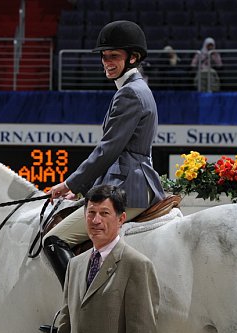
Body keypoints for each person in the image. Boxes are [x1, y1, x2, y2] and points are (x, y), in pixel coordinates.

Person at [43, 20, 166, 284]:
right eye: (104, 56)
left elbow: (108, 150)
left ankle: (81, 307)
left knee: (54, 239)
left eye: (113, 56)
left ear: (133, 57)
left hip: (128, 186)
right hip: (130, 180)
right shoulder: (137, 90)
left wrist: (69, 184)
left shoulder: (130, 94)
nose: (106, 62)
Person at [49, 185, 159, 333]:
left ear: (121, 219)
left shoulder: (137, 265)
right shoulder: (75, 265)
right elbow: (65, 329)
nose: (96, 220)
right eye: (91, 213)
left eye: (104, 213)